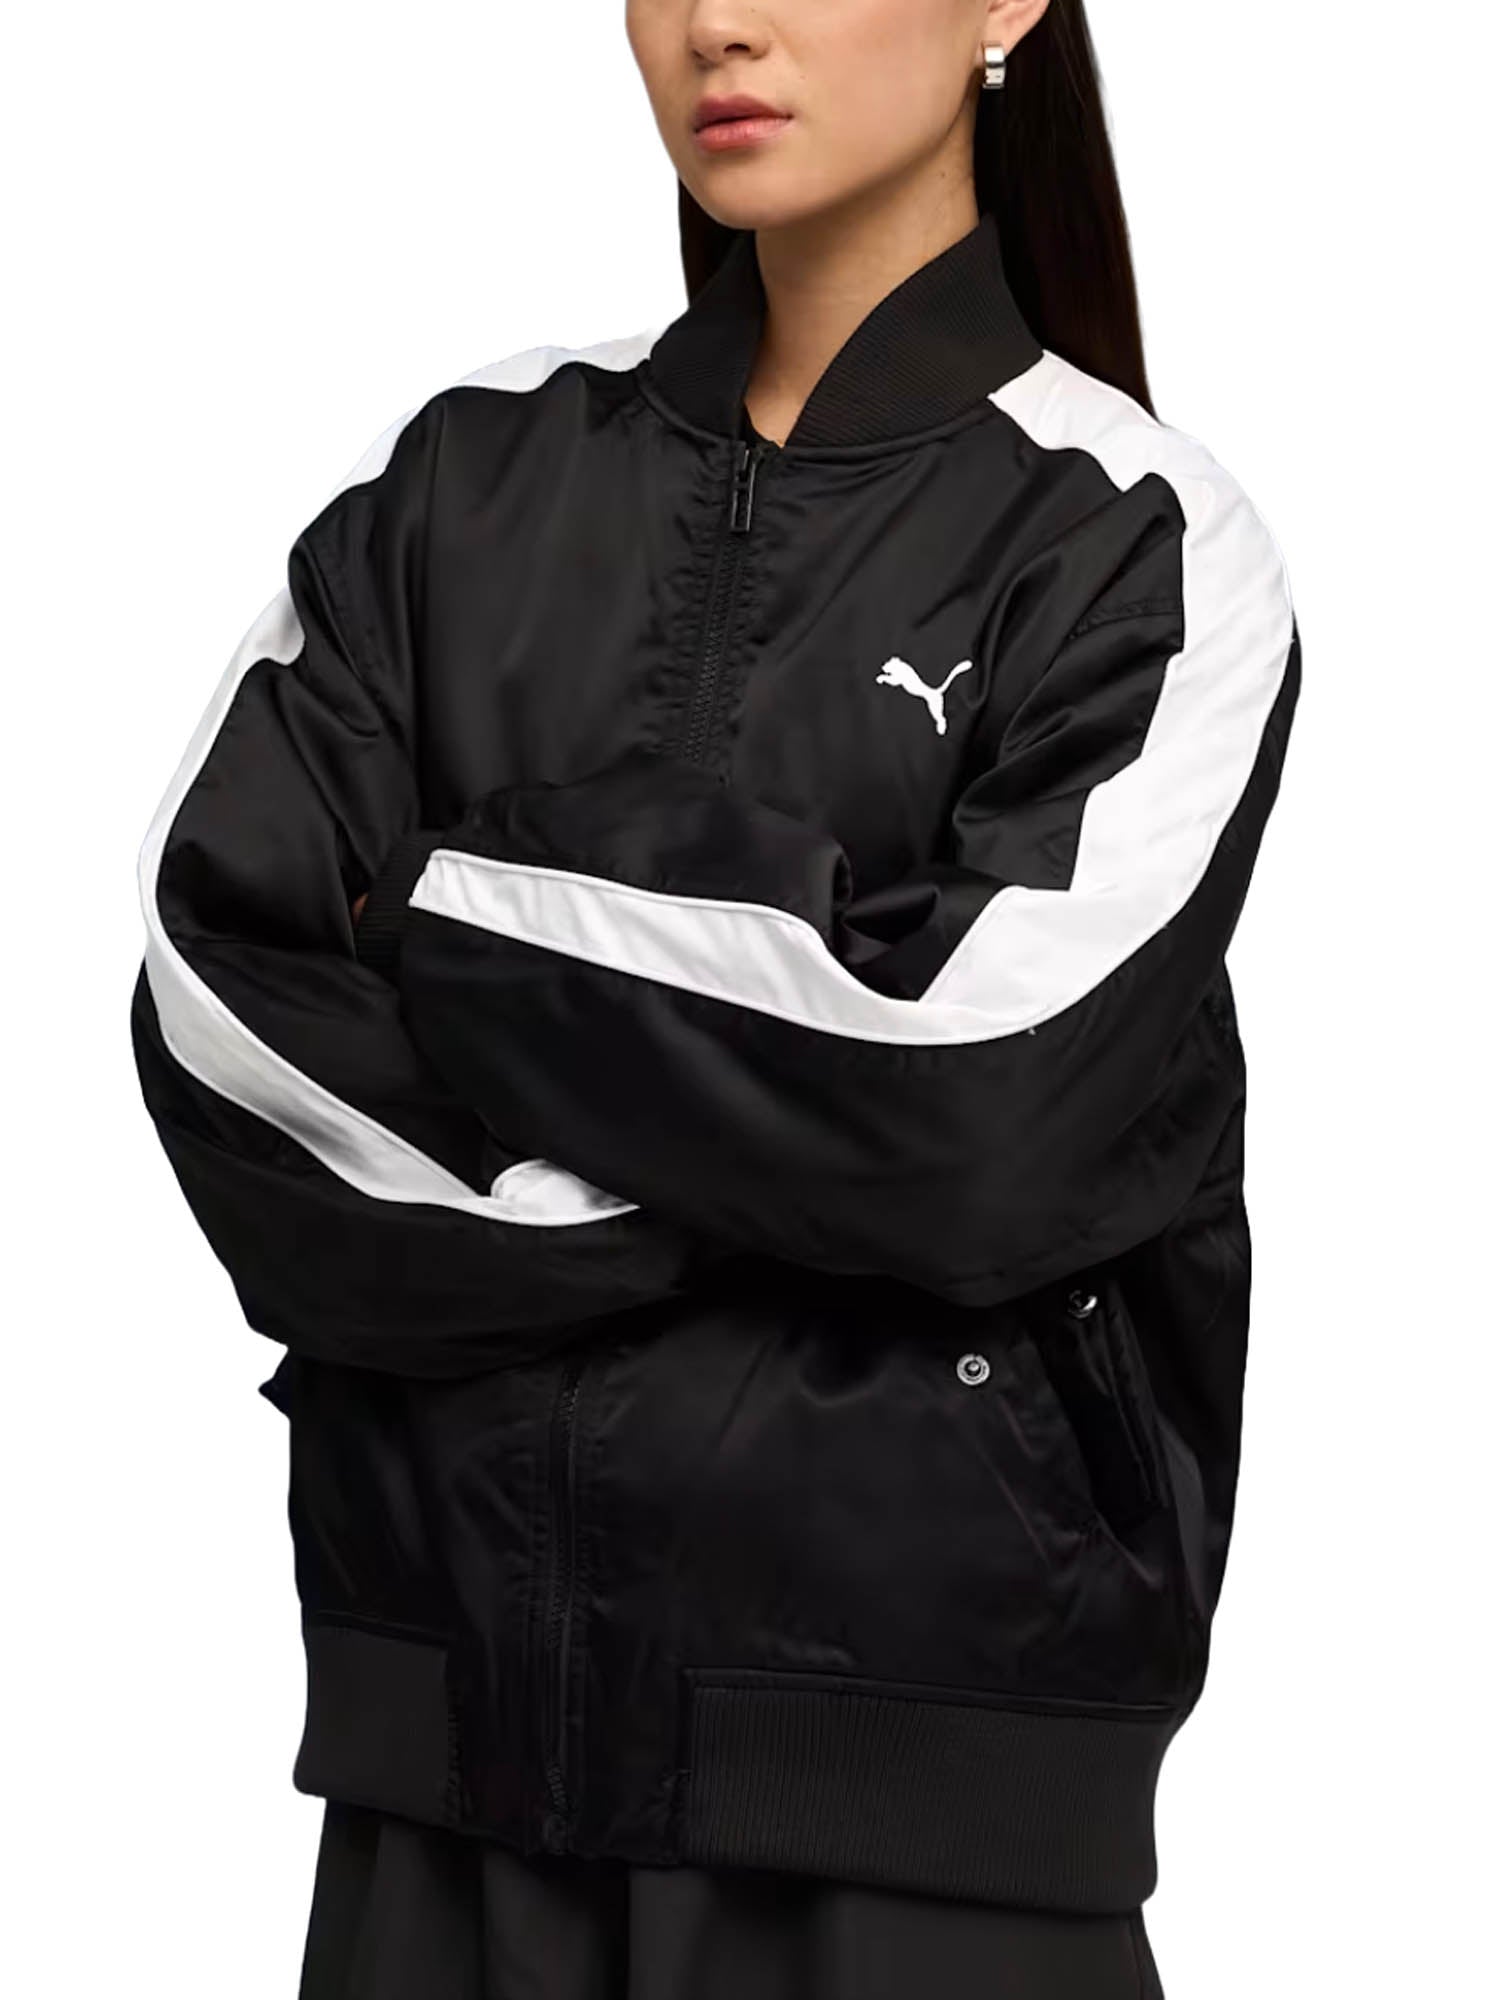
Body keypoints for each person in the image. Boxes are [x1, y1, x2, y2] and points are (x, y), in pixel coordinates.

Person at [129, 0, 1301, 1993]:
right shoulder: (460, 480)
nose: (716, 23)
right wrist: (758, 1154)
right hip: (442, 1809)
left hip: (925, 1846)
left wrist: (448, 912)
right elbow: (219, 1006)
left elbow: (976, 1097)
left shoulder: (1135, 541)